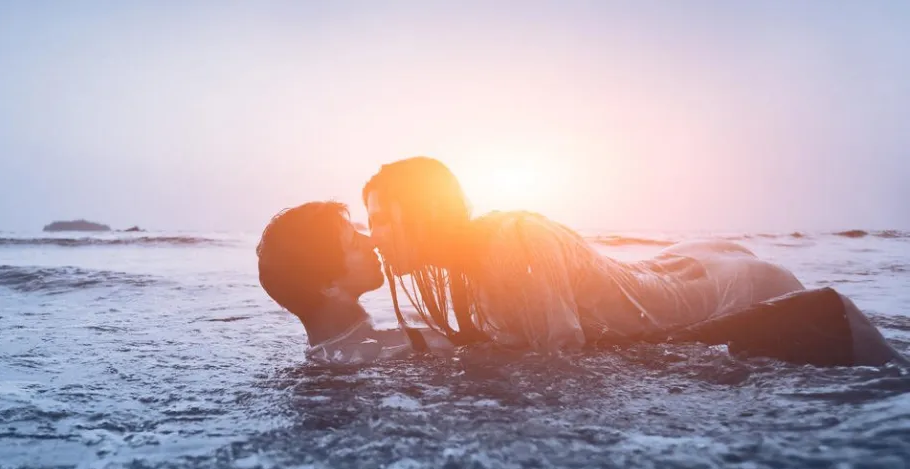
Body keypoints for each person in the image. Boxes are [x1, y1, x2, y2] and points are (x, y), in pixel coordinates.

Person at [360, 156, 907, 367]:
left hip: (739, 288)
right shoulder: (469, 267)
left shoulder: (511, 242)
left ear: (422, 213)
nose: (374, 235)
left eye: (382, 218)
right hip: (682, 272)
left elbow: (562, 366)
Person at [256, 201, 450, 364]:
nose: (371, 242)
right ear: (329, 286)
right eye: (355, 243)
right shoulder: (404, 344)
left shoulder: (325, 354)